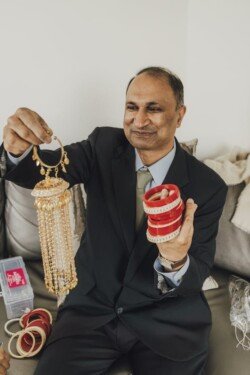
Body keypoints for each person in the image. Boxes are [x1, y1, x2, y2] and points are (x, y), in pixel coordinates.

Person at [1, 67, 228, 375]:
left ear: (180, 114)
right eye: (131, 107)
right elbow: (47, 173)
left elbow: (195, 273)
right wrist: (16, 151)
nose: (139, 119)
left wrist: (175, 261)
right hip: (91, 314)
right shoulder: (102, 145)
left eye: (154, 108)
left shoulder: (207, 186)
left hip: (167, 322)